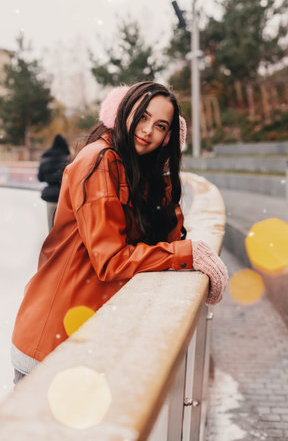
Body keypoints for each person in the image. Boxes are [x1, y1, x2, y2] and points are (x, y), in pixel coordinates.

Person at [11, 81, 228, 384]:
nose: (148, 130)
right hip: (51, 342)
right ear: (123, 112)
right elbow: (111, 260)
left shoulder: (133, 168)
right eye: (143, 116)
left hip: (84, 335)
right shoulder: (99, 161)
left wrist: (161, 167)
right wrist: (186, 254)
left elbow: (167, 235)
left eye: (161, 126)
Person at [38, 134, 70, 231]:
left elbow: (40, 177)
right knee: (65, 228)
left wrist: (50, 178)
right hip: (65, 196)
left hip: (51, 196)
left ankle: (53, 245)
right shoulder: (68, 158)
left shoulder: (46, 159)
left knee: (51, 227)